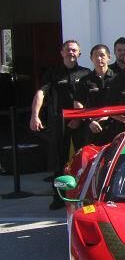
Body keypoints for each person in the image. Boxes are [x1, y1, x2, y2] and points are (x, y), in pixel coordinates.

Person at [28, 39, 90, 207]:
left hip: (81, 123)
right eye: (68, 50)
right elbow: (41, 93)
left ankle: (84, 195)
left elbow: (92, 99)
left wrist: (79, 119)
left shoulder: (86, 73)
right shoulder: (52, 74)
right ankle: (59, 198)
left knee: (84, 160)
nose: (71, 53)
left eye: (74, 50)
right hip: (59, 122)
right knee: (59, 162)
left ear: (79, 54)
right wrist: (35, 115)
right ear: (61, 52)